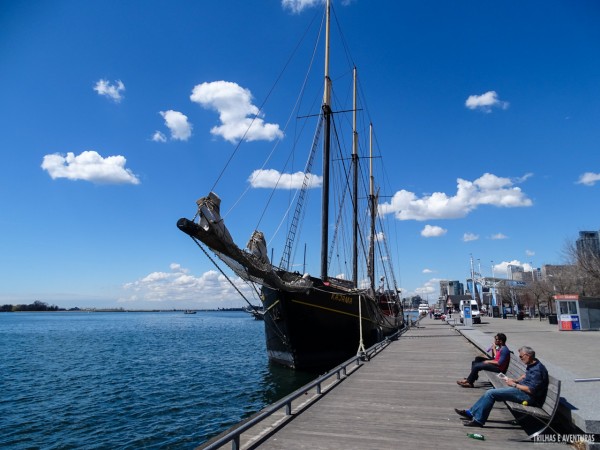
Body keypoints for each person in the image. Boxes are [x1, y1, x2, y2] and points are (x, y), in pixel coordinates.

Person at [455, 346, 549, 428]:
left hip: (527, 396)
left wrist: (514, 384)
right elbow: (526, 375)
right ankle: (471, 413)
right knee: (492, 391)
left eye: (521, 356)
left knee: (491, 393)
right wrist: (516, 380)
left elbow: (531, 390)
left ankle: (479, 420)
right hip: (522, 390)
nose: (520, 358)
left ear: (528, 355)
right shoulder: (534, 363)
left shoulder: (537, 370)